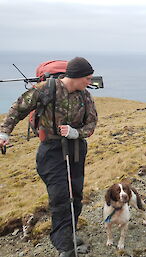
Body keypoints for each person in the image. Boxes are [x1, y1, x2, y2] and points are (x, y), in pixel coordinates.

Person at [0, 57, 98, 257]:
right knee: (61, 197)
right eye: (87, 78)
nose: (90, 82)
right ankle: (65, 247)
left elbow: (91, 124)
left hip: (76, 149)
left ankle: (68, 233)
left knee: (76, 195)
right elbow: (18, 108)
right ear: (75, 76)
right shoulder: (46, 90)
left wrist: (76, 133)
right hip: (51, 151)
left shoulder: (85, 96)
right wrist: (4, 133)